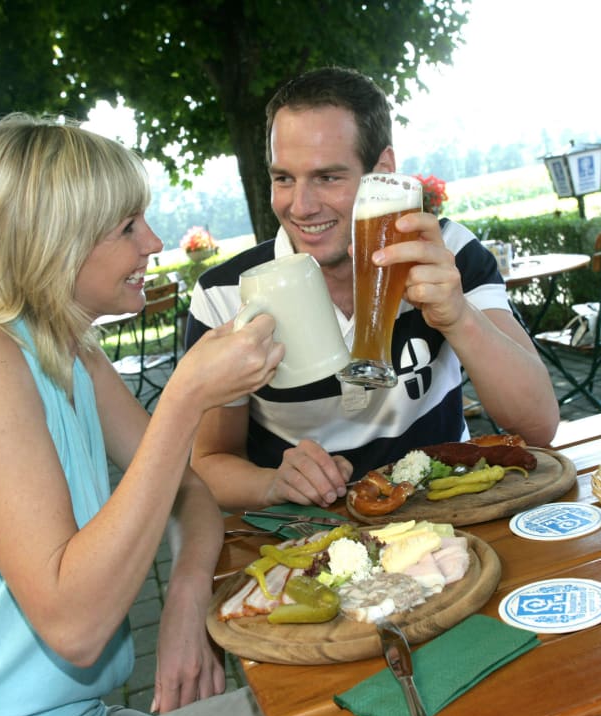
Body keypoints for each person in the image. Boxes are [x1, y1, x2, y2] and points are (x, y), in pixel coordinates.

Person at [0, 114, 279, 716]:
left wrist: (187, 601)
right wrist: (185, 399)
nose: (154, 243)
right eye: (127, 227)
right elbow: (76, 626)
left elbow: (189, 492)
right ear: (55, 240)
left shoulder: (74, 355)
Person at [184, 67, 559, 511]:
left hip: (452, 512)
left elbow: (538, 427)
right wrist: (272, 484)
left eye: (327, 177)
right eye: (284, 178)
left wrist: (458, 317)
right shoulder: (224, 295)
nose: (300, 206)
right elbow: (209, 461)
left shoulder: (446, 252)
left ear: (382, 171)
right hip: (311, 536)